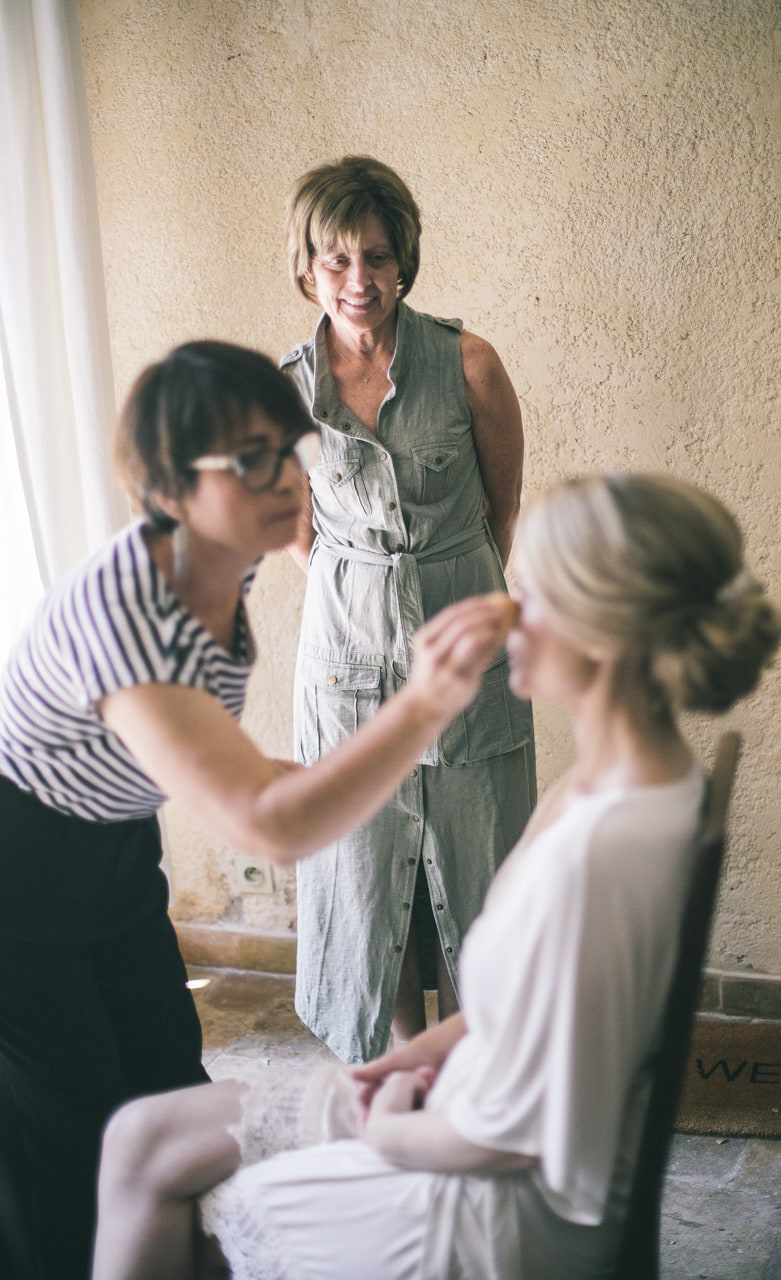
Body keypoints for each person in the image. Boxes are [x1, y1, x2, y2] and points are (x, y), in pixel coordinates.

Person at [91, 472, 781, 1280]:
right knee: (137, 1138)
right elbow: (525, 1009)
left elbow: (509, 1138)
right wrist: (408, 1059)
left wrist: (385, 1121)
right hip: (456, 1104)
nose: (500, 609)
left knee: (165, 1178)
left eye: (526, 591)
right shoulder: (627, 779)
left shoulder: (605, 849)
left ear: (600, 631)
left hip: (487, 1204)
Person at [0, 339, 514, 1280]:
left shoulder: (219, 563)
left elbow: (222, 760)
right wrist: (425, 701)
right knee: (66, 1137)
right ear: (166, 488)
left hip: (111, 846)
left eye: (288, 448)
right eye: (248, 462)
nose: (287, 478)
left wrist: (309, 771)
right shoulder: (128, 614)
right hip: (18, 875)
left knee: (163, 1080)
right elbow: (265, 825)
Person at [279, 155, 537, 1060]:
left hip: (463, 639)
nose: (359, 281)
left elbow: (499, 508)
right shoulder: (289, 392)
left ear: (405, 262)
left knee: (480, 861)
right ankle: (392, 1067)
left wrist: (447, 580)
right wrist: (366, 587)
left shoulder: (468, 363)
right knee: (360, 867)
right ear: (307, 265)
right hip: (344, 658)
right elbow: (298, 531)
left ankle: (480, 1070)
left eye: (377, 258)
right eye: (337, 259)